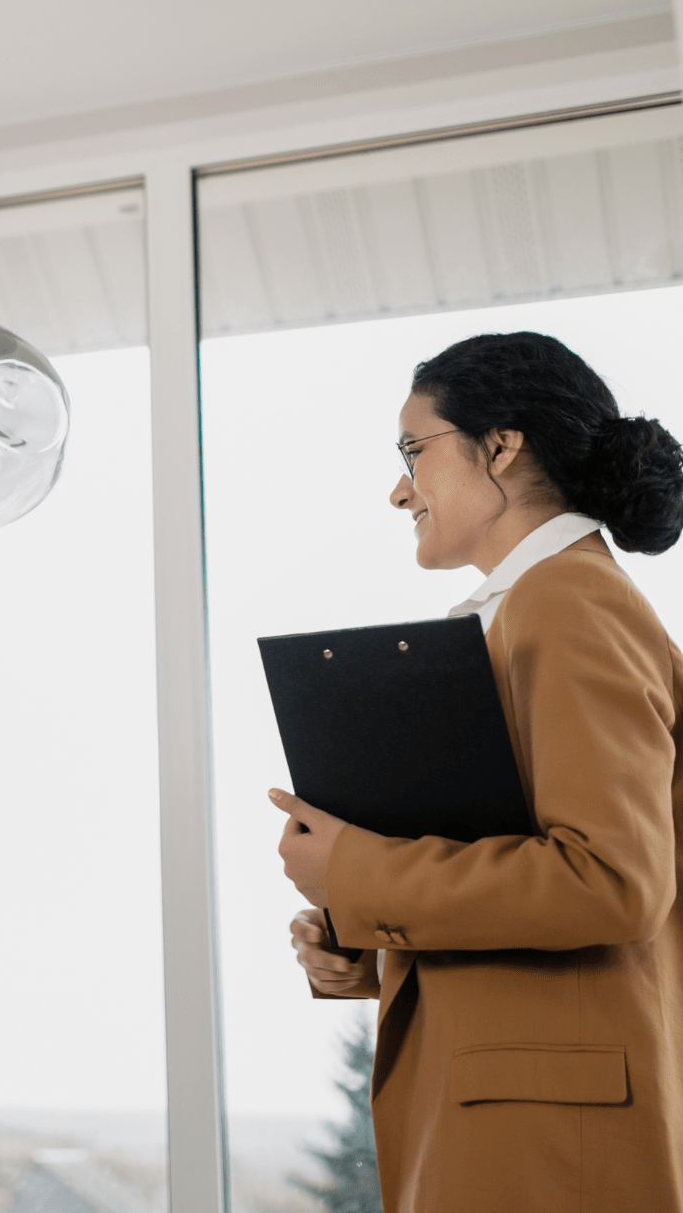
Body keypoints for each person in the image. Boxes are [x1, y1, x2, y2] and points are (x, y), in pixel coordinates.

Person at [275, 330, 683, 1211]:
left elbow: (611, 881)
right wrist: (367, 944)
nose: (398, 489)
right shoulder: (530, 610)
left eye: (413, 452)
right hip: (524, 1117)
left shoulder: (569, 606)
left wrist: (356, 871)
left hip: (551, 1138)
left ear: (500, 446)